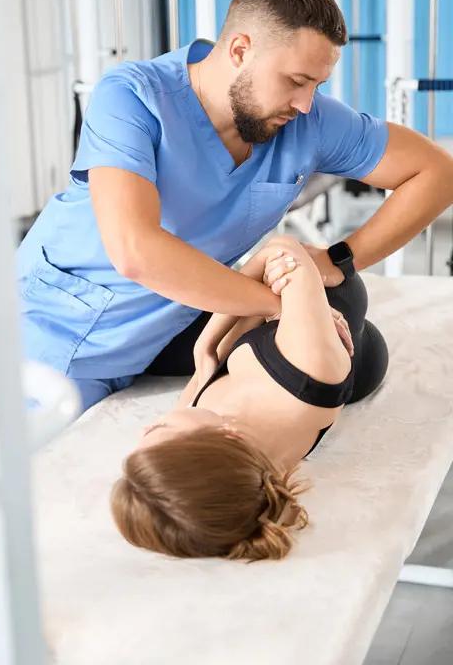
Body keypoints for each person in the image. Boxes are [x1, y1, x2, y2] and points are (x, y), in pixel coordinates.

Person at [17, 0, 453, 412]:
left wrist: (341, 256)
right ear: (241, 50)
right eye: (296, 81)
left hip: (174, 319)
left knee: (356, 339)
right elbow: (135, 251)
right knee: (321, 330)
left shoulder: (308, 119)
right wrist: (280, 307)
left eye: (316, 86)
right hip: (67, 330)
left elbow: (436, 171)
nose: (305, 104)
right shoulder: (132, 97)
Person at [111, 234, 389, 562]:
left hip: (283, 330)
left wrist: (207, 343)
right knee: (303, 271)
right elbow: (283, 246)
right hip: (347, 325)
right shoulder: (307, 372)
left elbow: (209, 355)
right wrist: (277, 304)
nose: (145, 430)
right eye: (157, 434)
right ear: (228, 437)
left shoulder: (218, 447)